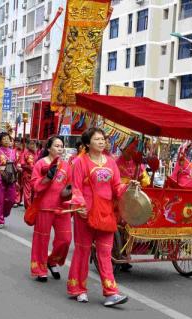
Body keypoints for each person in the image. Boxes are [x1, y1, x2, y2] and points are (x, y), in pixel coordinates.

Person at [68, 128, 129, 307]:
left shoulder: (111, 162)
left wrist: (128, 188)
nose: (102, 142)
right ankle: (78, 288)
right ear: (87, 143)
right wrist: (79, 206)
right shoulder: (80, 162)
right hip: (85, 213)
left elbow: (116, 186)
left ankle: (111, 292)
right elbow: (76, 187)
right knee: (83, 250)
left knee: (104, 252)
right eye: (97, 139)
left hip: (106, 213)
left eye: (103, 139)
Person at [30, 136, 72, 282]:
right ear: (48, 148)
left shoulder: (67, 165)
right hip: (45, 207)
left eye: (61, 146)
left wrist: (69, 192)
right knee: (41, 239)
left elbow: (70, 185)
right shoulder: (40, 164)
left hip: (62, 207)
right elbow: (35, 185)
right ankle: (40, 269)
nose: (60, 148)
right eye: (56, 146)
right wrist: (47, 177)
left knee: (65, 239)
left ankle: (52, 260)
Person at [0, 133, 17, 228]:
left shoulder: (13, 151)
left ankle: (4, 213)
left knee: (11, 199)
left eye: (8, 139)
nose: (6, 140)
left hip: (11, 177)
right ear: (0, 141)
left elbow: (14, 165)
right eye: (4, 139)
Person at [20, 139, 37, 209]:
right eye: (31, 144)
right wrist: (30, 168)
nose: (32, 145)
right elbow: (22, 164)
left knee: (34, 191)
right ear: (28, 145)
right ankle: (28, 206)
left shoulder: (37, 153)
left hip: (35, 175)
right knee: (27, 191)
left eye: (34, 144)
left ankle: (32, 205)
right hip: (27, 175)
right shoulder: (25, 153)